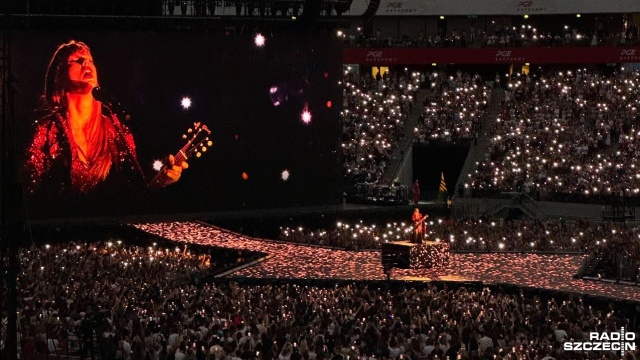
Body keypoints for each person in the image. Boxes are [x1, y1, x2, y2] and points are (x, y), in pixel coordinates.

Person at [24, 40, 187, 196]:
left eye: (90, 60)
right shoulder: (46, 131)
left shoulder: (114, 129)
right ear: (59, 76)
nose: (86, 63)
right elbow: (28, 192)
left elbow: (135, 191)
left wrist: (162, 180)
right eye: (78, 60)